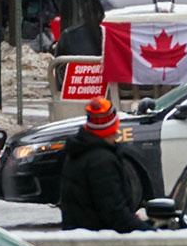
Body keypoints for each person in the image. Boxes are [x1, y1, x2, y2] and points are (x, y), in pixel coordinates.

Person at [60, 97, 154, 233]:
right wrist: (149, 233)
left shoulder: (80, 151)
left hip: (82, 236)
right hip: (97, 243)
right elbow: (115, 214)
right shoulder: (101, 162)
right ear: (113, 125)